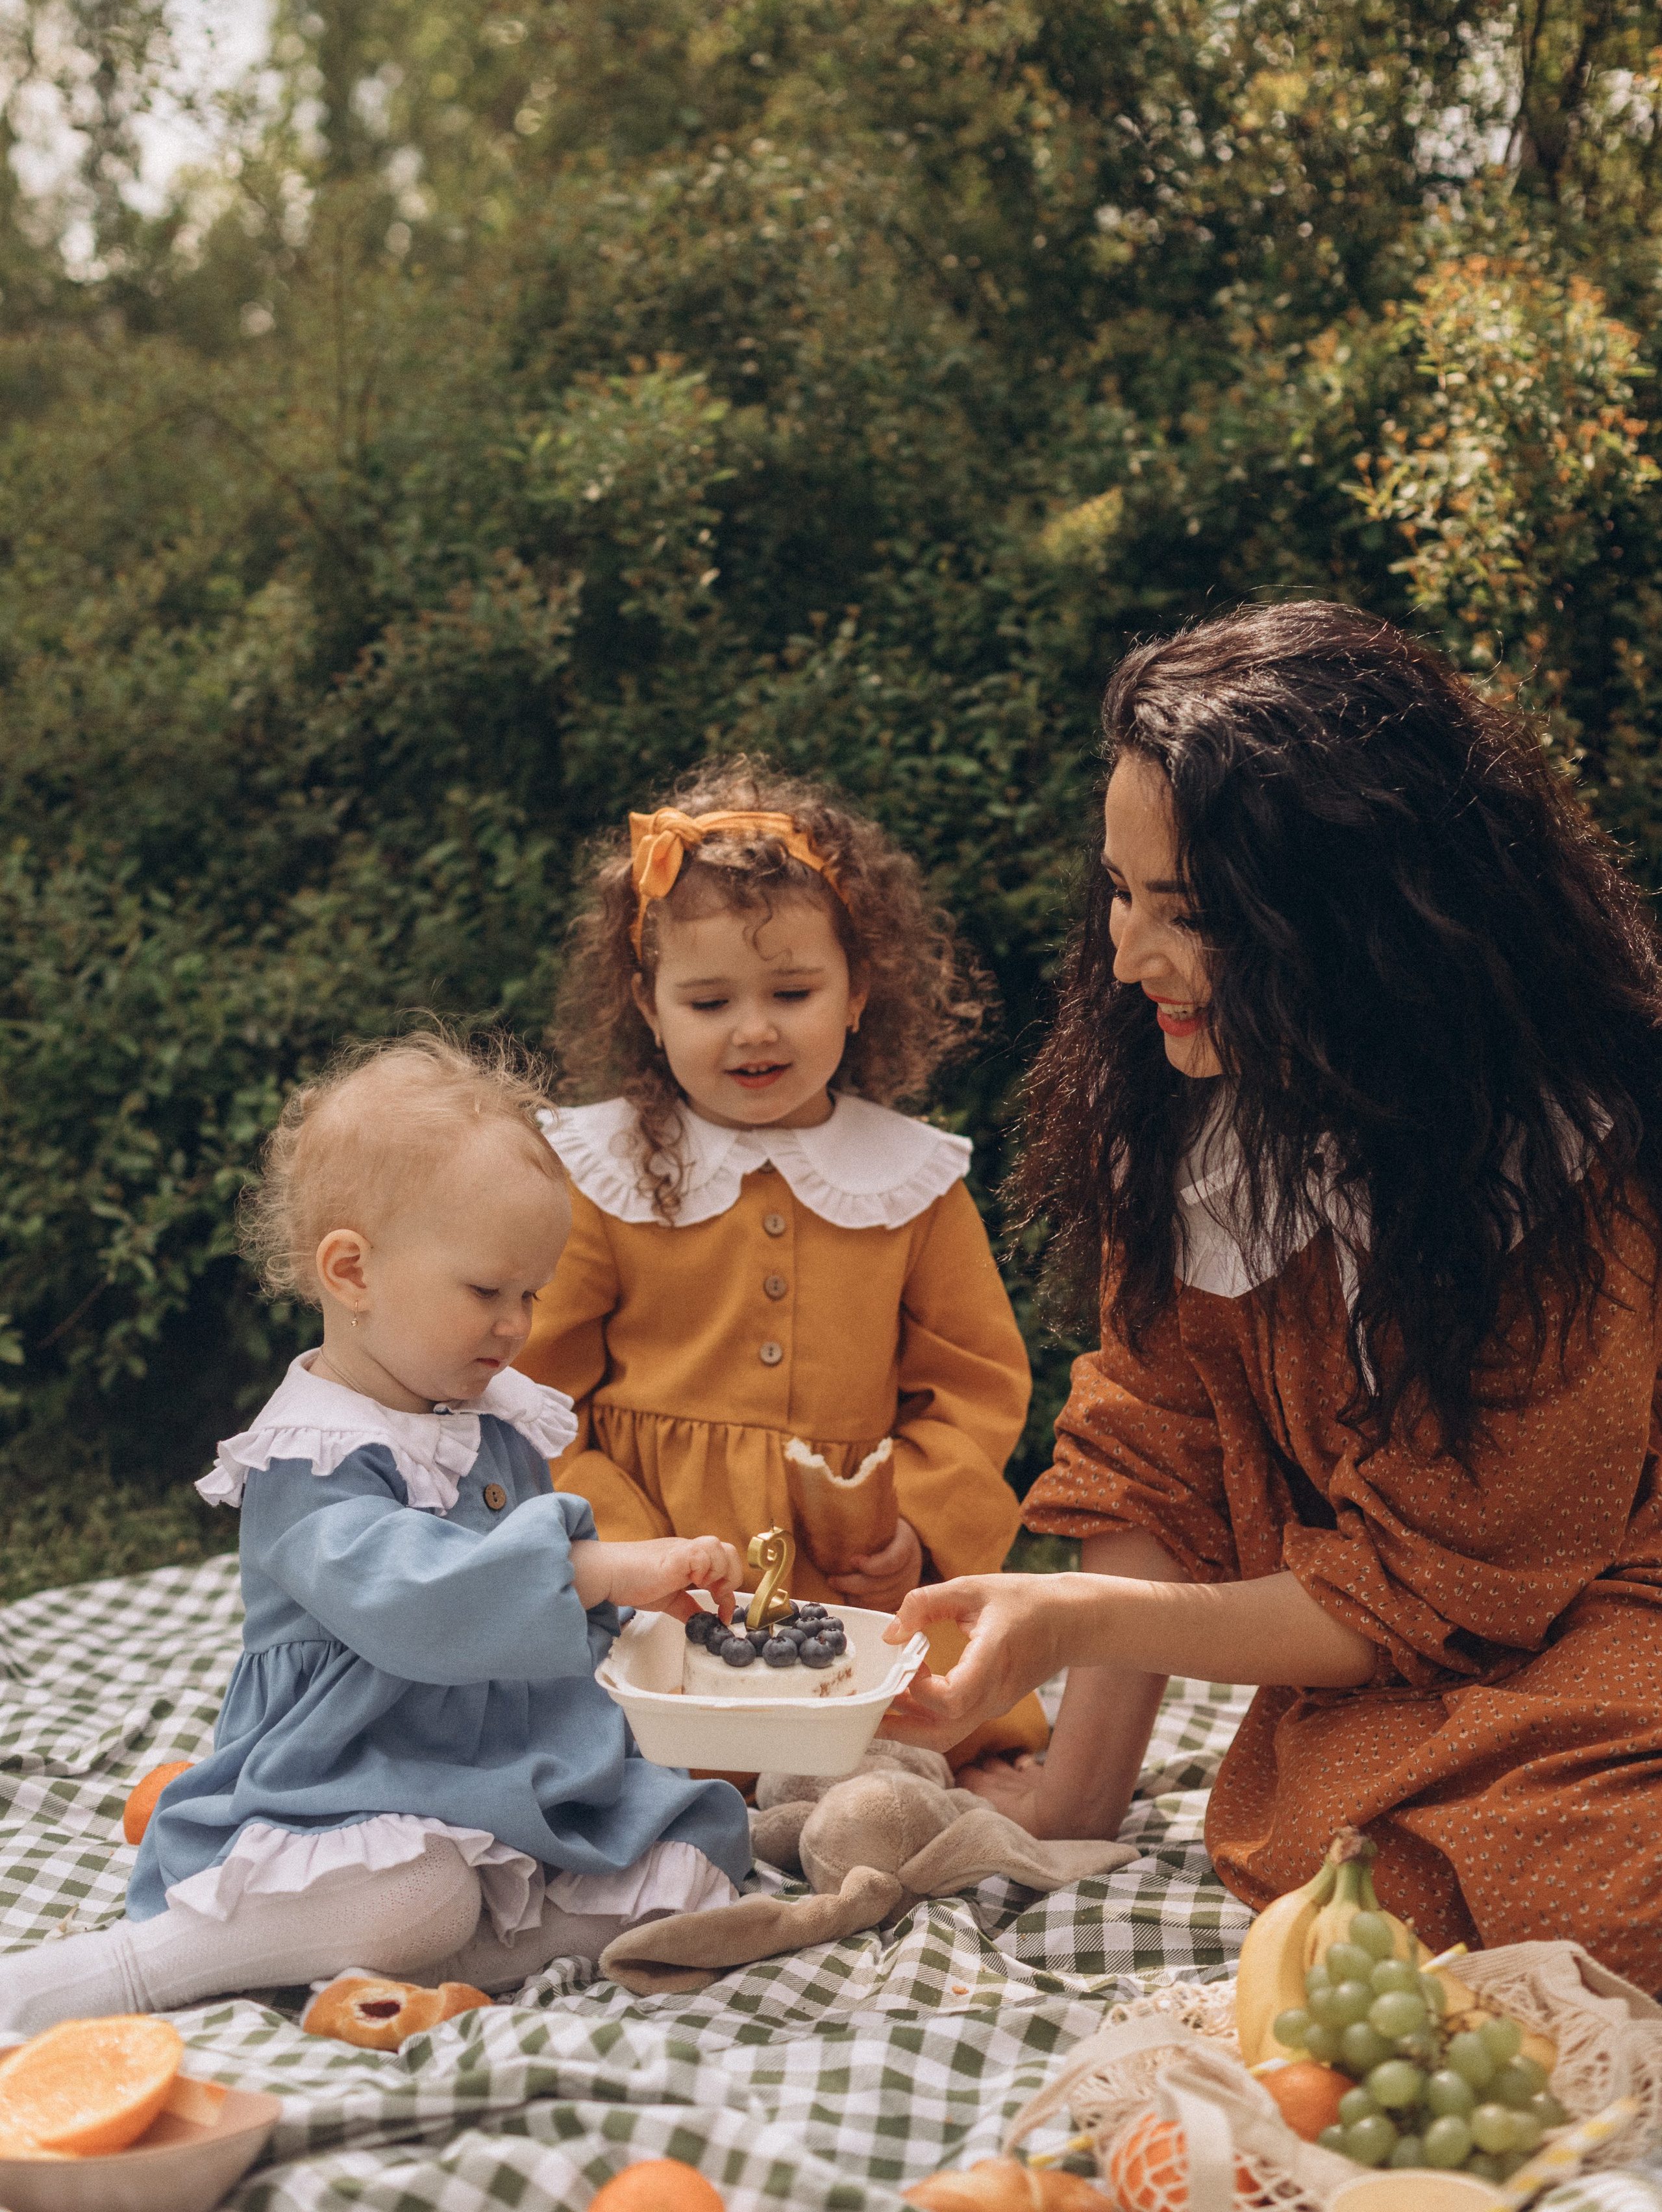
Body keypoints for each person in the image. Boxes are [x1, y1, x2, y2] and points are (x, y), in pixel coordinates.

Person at [880, 601, 1662, 1991]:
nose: (1126, 956)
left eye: (1184, 917)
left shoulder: (1550, 1164)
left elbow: (1452, 1583)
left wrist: (1068, 1623)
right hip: (1392, 1662)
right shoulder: (1176, 1104)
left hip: (1599, 1611)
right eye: (1119, 894)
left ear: (1354, 928)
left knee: (1597, 1884)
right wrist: (1072, 1798)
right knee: (1349, 1874)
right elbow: (1149, 1443)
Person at [0, 1033, 752, 2037]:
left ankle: (470, 1942)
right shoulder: (314, 1454)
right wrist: (597, 1565)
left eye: (530, 1294)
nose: (517, 1325)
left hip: (509, 1762)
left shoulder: (487, 1415)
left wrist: (619, 1607)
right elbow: (421, 1599)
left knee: (696, 1871)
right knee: (416, 1892)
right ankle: (127, 1970)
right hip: (350, 1773)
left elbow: (526, 1612)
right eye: (487, 1292)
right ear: (352, 1271)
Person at [517, 758, 1048, 1764]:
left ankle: (857, 1797)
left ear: (857, 993)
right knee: (616, 1728)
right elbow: (534, 1397)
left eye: (794, 990)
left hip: (850, 1579)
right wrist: (624, 1552)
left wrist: (917, 1533)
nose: (755, 1028)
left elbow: (976, 1389)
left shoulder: (908, 1183)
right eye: (709, 1001)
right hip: (654, 1572)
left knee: (927, 1728)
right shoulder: (602, 1174)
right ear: (647, 1002)